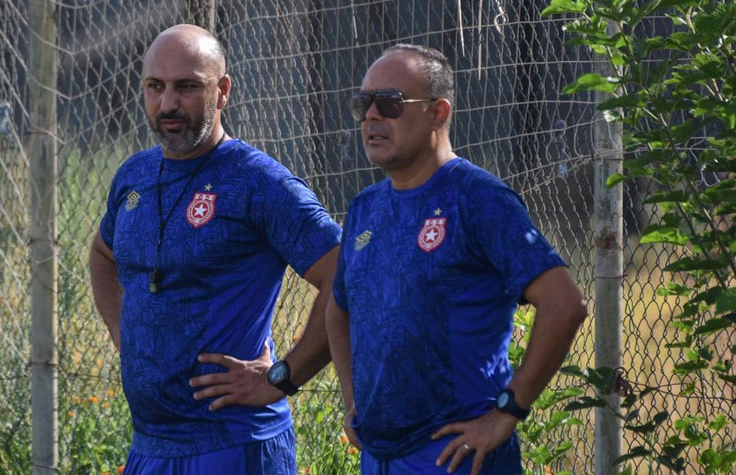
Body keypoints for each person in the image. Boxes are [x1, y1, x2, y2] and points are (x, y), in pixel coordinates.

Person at [89, 24, 341, 474]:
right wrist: (123, 334)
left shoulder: (258, 181)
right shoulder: (134, 176)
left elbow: (344, 273)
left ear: (222, 91)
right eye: (155, 87)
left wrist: (282, 377)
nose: (168, 104)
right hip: (149, 446)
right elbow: (103, 255)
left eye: (186, 87)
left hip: (234, 446)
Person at [325, 44, 588, 475]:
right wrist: (354, 400)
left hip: (456, 456)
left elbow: (565, 304)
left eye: (389, 103)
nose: (371, 116)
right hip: (379, 457)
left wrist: (507, 413)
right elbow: (339, 309)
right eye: (363, 103)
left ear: (438, 112)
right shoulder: (365, 207)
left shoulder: (478, 199)